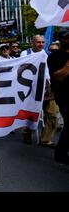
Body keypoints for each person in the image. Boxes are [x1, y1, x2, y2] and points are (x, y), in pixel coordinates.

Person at [47, 28, 69, 164]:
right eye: (67, 38)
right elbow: (58, 76)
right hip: (64, 96)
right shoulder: (54, 56)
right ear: (60, 39)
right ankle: (60, 154)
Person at [20, 35, 46, 144]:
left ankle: (46, 139)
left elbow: (46, 70)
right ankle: (28, 131)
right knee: (31, 111)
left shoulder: (44, 54)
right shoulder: (25, 54)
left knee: (50, 114)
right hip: (29, 88)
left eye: (42, 42)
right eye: (38, 42)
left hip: (43, 86)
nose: (41, 44)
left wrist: (49, 83)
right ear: (32, 43)